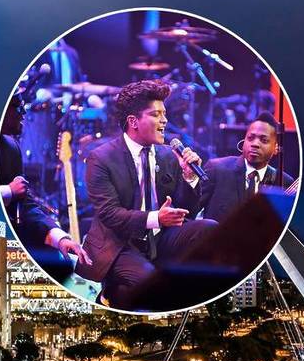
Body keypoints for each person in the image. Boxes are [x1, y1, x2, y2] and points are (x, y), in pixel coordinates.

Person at [74, 80, 218, 311]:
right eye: (156, 115)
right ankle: (110, 293)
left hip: (159, 239)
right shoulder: (101, 158)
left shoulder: (168, 156)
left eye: (165, 114)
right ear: (133, 122)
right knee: (150, 287)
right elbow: (110, 215)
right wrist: (156, 218)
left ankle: (143, 284)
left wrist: (190, 177)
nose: (165, 121)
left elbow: (184, 211)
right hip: (119, 243)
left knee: (209, 228)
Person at [0, 92, 89, 281]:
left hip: (15, 244)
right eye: (17, 106)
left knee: (61, 264)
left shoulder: (11, 147)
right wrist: (9, 191)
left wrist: (60, 238)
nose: (24, 112)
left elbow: (27, 205)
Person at [197, 113, 296, 224]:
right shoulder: (217, 169)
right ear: (244, 141)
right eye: (250, 138)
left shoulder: (284, 182)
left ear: (276, 148)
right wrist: (190, 179)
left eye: (264, 140)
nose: (255, 144)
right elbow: (189, 209)